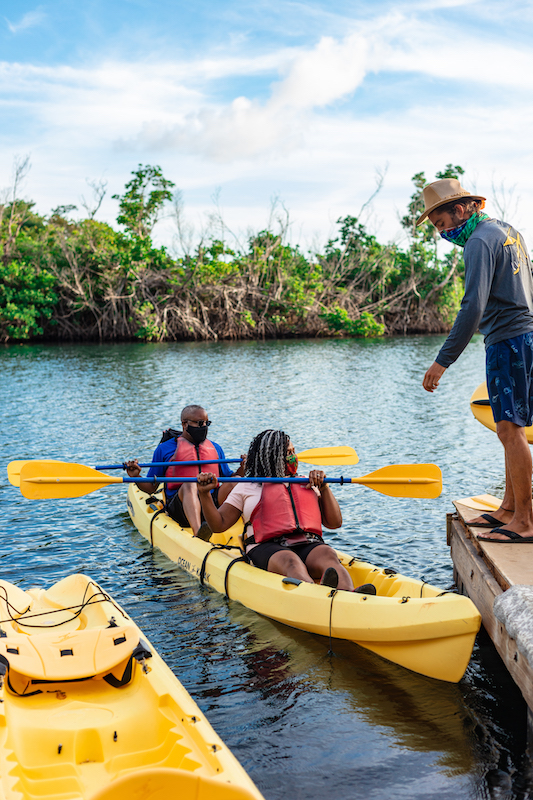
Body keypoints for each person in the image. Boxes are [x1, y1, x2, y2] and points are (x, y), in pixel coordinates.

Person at [419, 178, 533, 543]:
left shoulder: (479, 242)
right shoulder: (508, 232)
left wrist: (443, 361)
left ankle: (526, 522)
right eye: (437, 227)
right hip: (525, 336)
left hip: (508, 340)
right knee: (508, 426)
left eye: (442, 223)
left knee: (509, 430)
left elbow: (472, 306)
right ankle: (510, 509)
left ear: (463, 207)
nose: (443, 232)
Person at [197, 428, 376, 593]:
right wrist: (204, 494)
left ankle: (349, 596)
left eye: (293, 451)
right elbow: (219, 525)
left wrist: (324, 488)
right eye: (288, 453)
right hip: (265, 547)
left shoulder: (306, 482)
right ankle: (317, 596)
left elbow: (334, 523)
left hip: (305, 543)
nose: (294, 457)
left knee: (329, 554)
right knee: (291, 562)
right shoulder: (247, 487)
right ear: (272, 457)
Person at [126, 404, 239, 538]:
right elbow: (151, 488)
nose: (204, 427)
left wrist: (244, 467)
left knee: (236, 483)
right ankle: (199, 533)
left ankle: (246, 527)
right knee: (189, 484)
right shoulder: (164, 449)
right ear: (184, 424)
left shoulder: (215, 448)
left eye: (206, 423)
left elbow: (229, 478)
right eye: (199, 423)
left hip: (211, 506)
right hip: (180, 509)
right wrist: (136, 476)